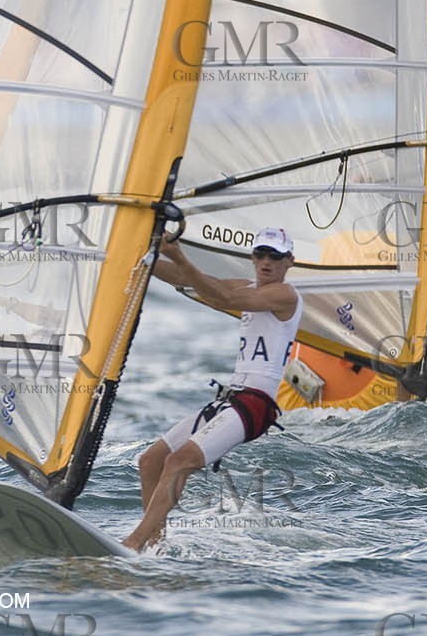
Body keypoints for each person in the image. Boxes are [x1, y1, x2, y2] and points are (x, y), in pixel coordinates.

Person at [122, 226, 300, 552]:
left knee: (179, 461)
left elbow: (224, 298)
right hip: (231, 399)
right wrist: (140, 258)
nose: (266, 262)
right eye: (260, 254)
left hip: (256, 404)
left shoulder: (284, 295)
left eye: (275, 256)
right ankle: (157, 544)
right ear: (252, 257)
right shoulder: (249, 286)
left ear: (289, 260)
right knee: (150, 461)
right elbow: (190, 280)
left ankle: (134, 543)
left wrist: (177, 252)